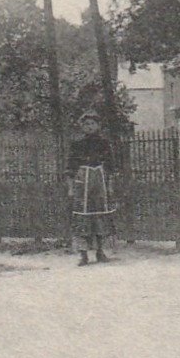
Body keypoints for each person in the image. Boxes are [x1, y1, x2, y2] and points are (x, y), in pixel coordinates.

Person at [65, 114, 118, 266]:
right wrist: (70, 188)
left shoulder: (104, 144)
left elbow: (110, 167)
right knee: (82, 217)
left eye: (92, 123)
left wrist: (110, 185)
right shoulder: (77, 144)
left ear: (98, 125)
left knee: (100, 216)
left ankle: (100, 251)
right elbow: (70, 168)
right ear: (82, 126)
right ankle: (83, 255)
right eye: (86, 124)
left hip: (99, 183)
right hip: (83, 184)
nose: (89, 126)